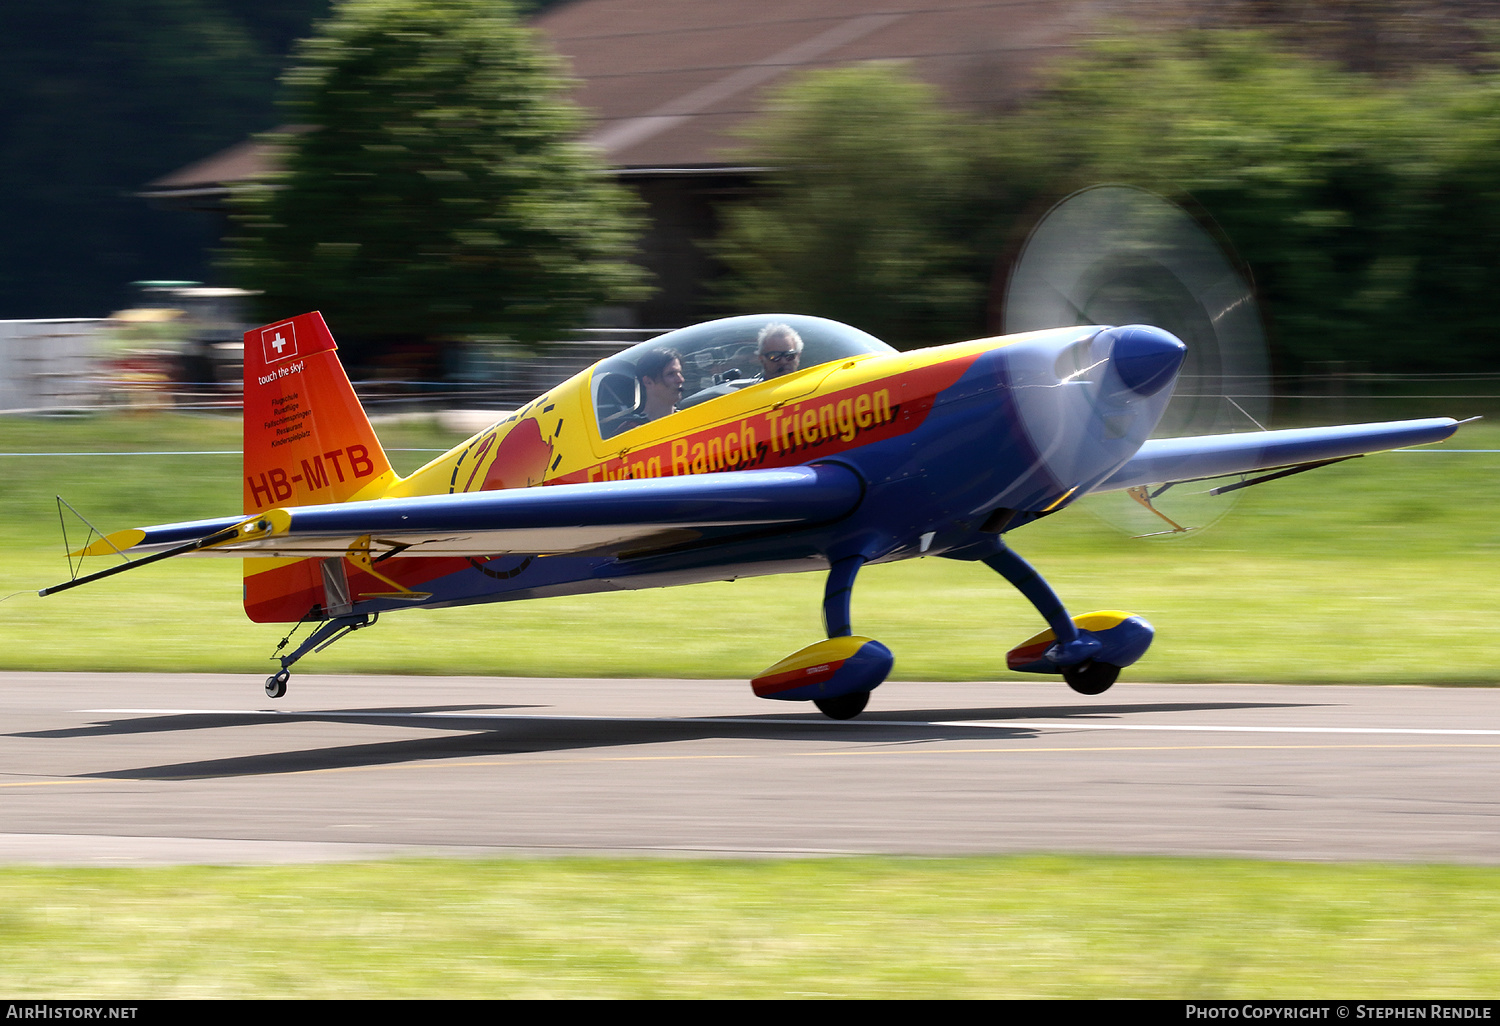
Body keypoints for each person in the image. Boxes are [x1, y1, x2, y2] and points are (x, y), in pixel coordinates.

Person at [606, 347, 684, 434]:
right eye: (670, 374)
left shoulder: (688, 420)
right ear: (648, 381)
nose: (680, 379)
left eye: (679, 373)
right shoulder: (630, 432)